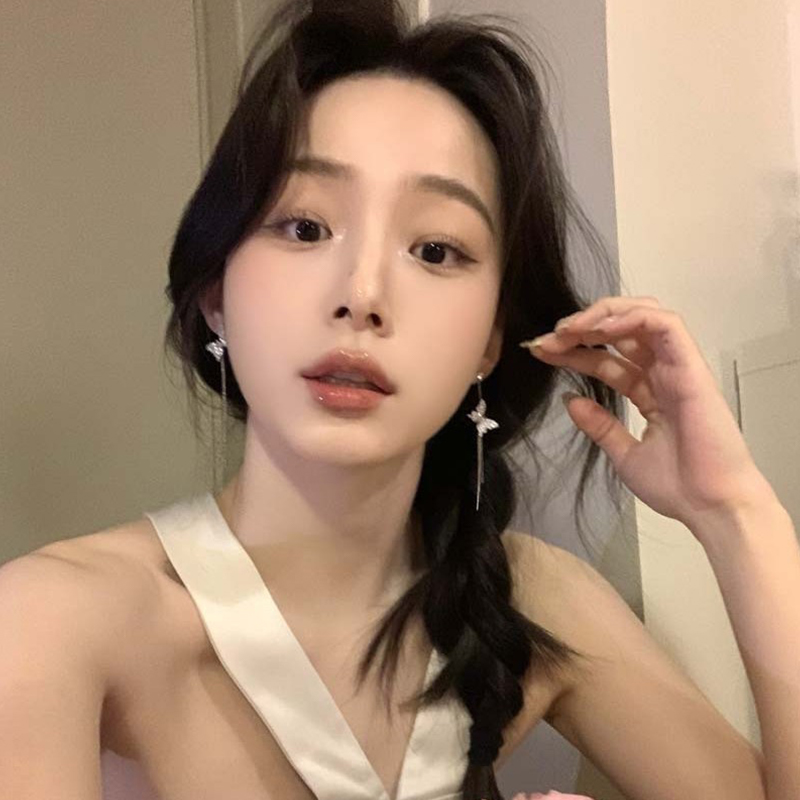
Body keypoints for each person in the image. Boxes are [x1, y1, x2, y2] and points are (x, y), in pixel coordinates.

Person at [2, 1, 797, 799]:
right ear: (216, 295)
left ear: (491, 338)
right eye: (305, 228)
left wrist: (735, 513)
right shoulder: (56, 620)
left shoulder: (531, 599)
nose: (363, 294)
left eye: (435, 249)